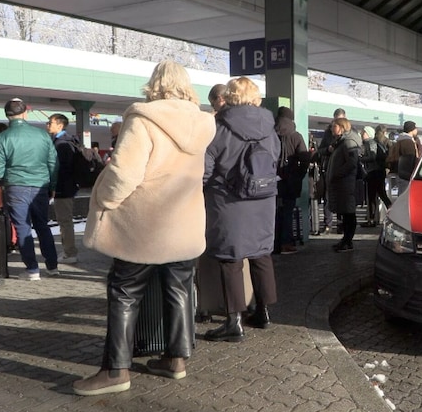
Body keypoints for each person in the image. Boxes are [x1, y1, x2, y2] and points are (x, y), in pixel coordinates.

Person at [72, 60, 215, 395]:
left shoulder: (143, 119)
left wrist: (104, 200)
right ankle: (176, 360)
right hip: (183, 224)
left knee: (123, 292)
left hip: (144, 227)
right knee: (179, 290)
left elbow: (124, 173)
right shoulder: (203, 124)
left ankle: (115, 371)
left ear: (155, 84)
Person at [203, 76, 280, 338]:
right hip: (263, 199)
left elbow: (206, 167)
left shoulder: (219, 126)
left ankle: (233, 322)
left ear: (231, 96)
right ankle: (264, 312)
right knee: (261, 254)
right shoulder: (270, 127)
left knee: (231, 259)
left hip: (229, 201)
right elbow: (275, 159)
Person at [0, 98, 59, 281]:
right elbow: (53, 163)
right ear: (25, 113)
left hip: (15, 187)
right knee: (43, 226)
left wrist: (2, 180)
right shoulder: (42, 135)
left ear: (7, 115)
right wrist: (52, 186)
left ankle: (32, 270)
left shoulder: (2, 138)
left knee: (22, 228)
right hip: (40, 187)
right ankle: (52, 266)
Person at [274, 106, 309, 254]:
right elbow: (305, 158)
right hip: (291, 181)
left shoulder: (271, 134)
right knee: (288, 211)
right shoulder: (296, 136)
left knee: (275, 212)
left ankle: (274, 244)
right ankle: (286, 243)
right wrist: (299, 175)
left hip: (273, 180)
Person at [45, 113, 79, 264]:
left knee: (65, 220)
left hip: (63, 187)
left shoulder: (61, 144)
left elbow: (60, 168)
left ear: (60, 125)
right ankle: (68, 250)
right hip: (67, 186)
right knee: (65, 220)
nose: (48, 125)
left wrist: (53, 186)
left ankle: (70, 252)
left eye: (50, 122)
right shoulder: (67, 140)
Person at [326, 117, 362, 252]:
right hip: (341, 184)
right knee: (345, 212)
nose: (331, 129)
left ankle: (348, 241)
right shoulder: (340, 142)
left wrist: (337, 173)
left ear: (341, 127)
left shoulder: (348, 143)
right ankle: (346, 240)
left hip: (346, 184)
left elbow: (351, 164)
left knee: (348, 213)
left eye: (333, 126)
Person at [315, 108, 347, 234]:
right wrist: (327, 150)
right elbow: (320, 150)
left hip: (342, 170)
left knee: (341, 198)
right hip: (329, 168)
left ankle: (341, 224)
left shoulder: (349, 134)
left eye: (340, 121)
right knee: (327, 197)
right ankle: (328, 224)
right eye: (335, 121)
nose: (337, 124)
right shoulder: (328, 133)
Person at [360, 125, 389, 226]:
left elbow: (372, 156)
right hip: (379, 171)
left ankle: (371, 220)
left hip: (374, 172)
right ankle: (373, 218)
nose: (361, 134)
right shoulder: (379, 143)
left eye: (363, 132)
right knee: (380, 194)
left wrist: (361, 159)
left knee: (373, 195)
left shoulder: (371, 142)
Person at [386, 120, 419, 195]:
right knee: (405, 195)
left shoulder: (400, 140)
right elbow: (411, 159)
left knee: (401, 193)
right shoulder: (408, 142)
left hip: (399, 172)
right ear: (411, 129)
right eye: (415, 128)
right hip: (406, 174)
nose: (417, 130)